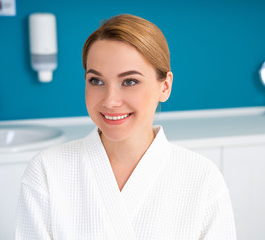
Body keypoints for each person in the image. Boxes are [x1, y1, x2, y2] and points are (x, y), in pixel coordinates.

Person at [15, 14, 236, 239]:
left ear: (165, 87)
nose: (110, 100)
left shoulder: (202, 178)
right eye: (96, 81)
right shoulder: (47, 170)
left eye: (130, 81)